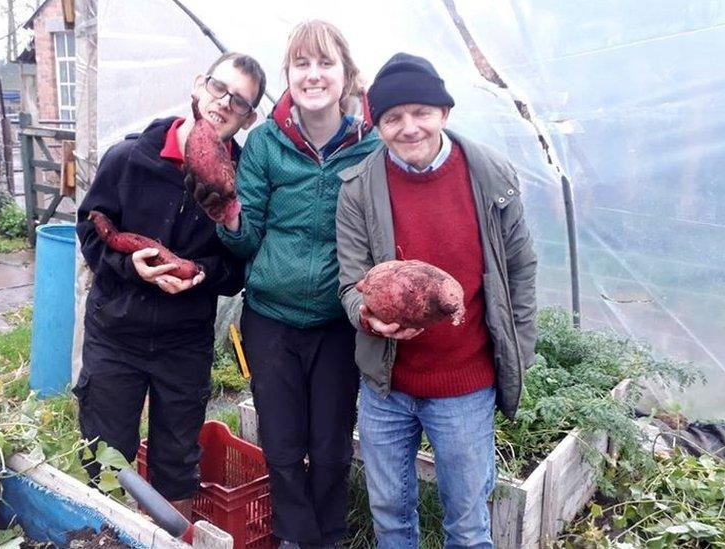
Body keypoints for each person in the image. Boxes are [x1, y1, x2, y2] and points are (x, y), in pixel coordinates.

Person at [335, 53, 537, 547]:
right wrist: (366, 317)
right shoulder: (359, 189)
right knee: (389, 513)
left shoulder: (492, 176)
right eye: (391, 118)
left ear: (444, 112)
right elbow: (349, 283)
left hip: (464, 383)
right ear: (376, 124)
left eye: (420, 112)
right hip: (387, 385)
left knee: (467, 524)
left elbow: (521, 270)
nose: (409, 128)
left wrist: (519, 350)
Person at [209, 20, 379, 547]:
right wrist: (229, 215)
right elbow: (247, 238)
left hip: (336, 322)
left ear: (345, 74)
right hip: (271, 318)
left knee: (330, 444)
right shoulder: (264, 143)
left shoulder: (370, 146)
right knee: (282, 443)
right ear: (289, 74)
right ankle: (291, 534)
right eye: (302, 64)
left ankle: (327, 535)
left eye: (325, 63)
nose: (313, 74)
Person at [74, 52, 266, 518]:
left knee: (177, 462)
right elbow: (90, 229)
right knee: (105, 456)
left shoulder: (242, 183)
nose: (224, 103)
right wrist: (129, 268)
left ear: (249, 118)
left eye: (239, 102)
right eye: (219, 89)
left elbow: (241, 267)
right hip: (115, 331)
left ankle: (166, 539)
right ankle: (106, 534)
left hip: (184, 341)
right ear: (199, 85)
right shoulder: (129, 158)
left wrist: (201, 275)